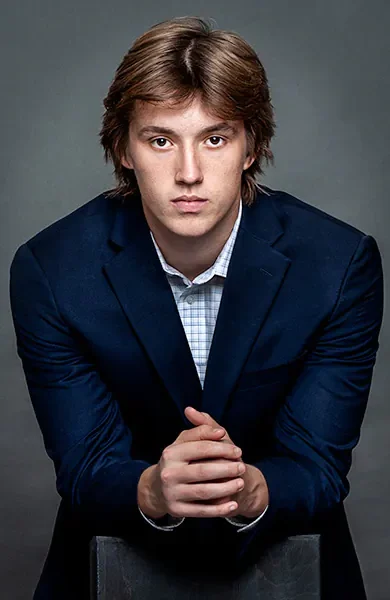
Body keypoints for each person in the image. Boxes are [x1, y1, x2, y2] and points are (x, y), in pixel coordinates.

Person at [9, 15, 383, 600]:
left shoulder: (338, 263)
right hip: (106, 570)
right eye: (161, 140)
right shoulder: (52, 270)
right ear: (123, 149)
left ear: (251, 145)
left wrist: (252, 489)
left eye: (215, 138)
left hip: (292, 570)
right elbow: (85, 466)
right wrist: (151, 490)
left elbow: (318, 465)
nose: (189, 174)